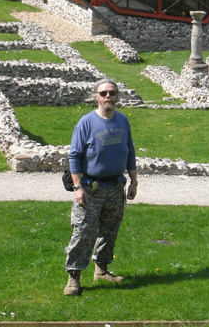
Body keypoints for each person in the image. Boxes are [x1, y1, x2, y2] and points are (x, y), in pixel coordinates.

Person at [63, 78, 138, 296]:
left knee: (110, 230)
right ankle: (74, 276)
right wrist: (78, 187)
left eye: (112, 93)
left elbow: (130, 151)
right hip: (90, 188)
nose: (108, 97)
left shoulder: (123, 121)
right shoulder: (86, 123)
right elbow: (74, 156)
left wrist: (133, 181)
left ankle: (102, 270)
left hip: (116, 186)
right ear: (97, 97)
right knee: (83, 231)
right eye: (103, 93)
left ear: (117, 97)